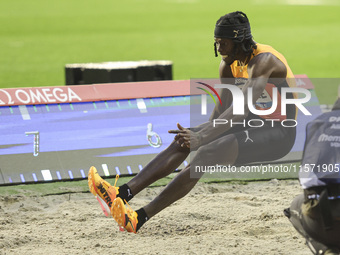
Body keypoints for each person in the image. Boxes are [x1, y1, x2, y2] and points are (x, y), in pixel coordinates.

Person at [88, 11, 297, 233]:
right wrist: (198, 135)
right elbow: (222, 110)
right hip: (252, 123)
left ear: (239, 41)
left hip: (280, 134)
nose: (218, 49)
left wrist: (204, 138)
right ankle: (121, 194)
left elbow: (240, 110)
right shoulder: (228, 65)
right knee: (183, 140)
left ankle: (138, 217)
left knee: (208, 153)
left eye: (223, 43)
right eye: (216, 43)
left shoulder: (264, 62)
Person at [285, 91, 340, 255]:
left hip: (327, 223)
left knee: (295, 206)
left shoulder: (319, 125)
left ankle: (326, 250)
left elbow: (306, 178)